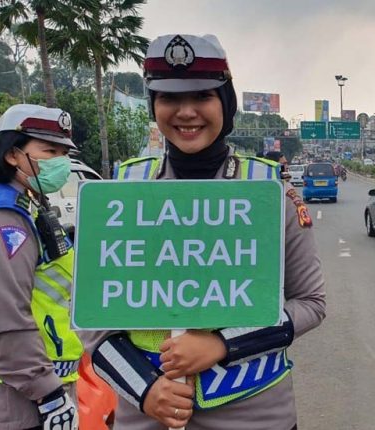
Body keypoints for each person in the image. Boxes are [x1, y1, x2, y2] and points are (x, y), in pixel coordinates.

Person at [84, 34, 325, 430]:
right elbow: (93, 319)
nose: (186, 112)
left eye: (202, 97)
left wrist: (222, 344)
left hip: (256, 411)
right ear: (154, 106)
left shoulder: (268, 191)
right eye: (169, 99)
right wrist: (146, 391)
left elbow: (310, 303)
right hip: (146, 411)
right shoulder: (123, 190)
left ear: (225, 103)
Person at [0, 104, 83, 430]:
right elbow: (7, 316)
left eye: (64, 152)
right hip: (22, 397)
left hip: (41, 385)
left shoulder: (32, 205)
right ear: (12, 154)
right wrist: (49, 395)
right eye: (49, 150)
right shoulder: (9, 218)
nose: (61, 162)